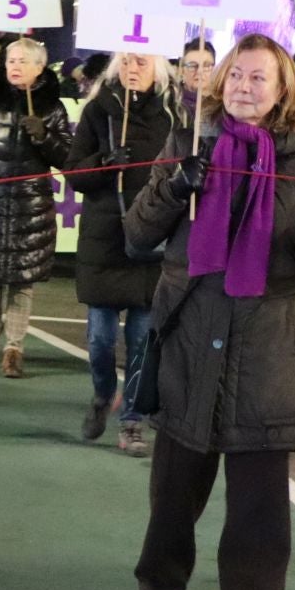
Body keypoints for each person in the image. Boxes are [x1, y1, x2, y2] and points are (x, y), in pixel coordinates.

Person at [123, 34, 295, 590]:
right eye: (238, 76)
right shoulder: (186, 142)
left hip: (269, 339)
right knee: (176, 479)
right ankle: (159, 582)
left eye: (260, 79)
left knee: (259, 493)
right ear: (221, 82)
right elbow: (138, 231)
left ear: (283, 94)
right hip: (192, 328)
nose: (245, 87)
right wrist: (174, 188)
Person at [64, 51, 180, 455]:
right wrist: (102, 163)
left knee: (142, 342)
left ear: (158, 70)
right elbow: (74, 172)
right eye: (127, 62)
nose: (133, 69)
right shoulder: (99, 110)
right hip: (104, 240)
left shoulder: (172, 115)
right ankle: (102, 394)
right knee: (99, 339)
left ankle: (131, 421)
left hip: (150, 240)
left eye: (143, 63)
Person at [0, 38, 71, 378]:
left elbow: (68, 158)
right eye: (11, 59)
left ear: (40, 67)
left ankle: (14, 347)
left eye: (23, 60)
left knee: (23, 281)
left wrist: (44, 136)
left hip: (31, 206)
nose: (14, 65)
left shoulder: (53, 108)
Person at [178, 38, 218, 114]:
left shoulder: (224, 105)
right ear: (182, 71)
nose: (199, 71)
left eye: (206, 65)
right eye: (192, 65)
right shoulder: (172, 105)